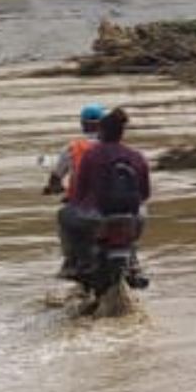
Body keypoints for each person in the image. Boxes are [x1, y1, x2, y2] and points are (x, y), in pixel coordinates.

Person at [65, 105, 154, 290]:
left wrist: (75, 204)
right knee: (135, 232)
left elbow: (80, 191)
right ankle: (134, 264)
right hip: (132, 215)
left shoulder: (91, 155)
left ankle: (76, 263)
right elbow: (145, 194)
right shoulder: (136, 156)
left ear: (102, 132)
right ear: (122, 133)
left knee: (64, 216)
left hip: (96, 216)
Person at [46, 103, 107, 274]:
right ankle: (134, 264)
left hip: (81, 206)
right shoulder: (116, 147)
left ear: (82, 124)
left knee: (63, 217)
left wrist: (54, 187)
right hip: (112, 205)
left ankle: (70, 260)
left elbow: (56, 177)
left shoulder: (72, 148)